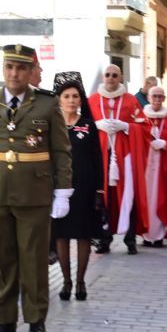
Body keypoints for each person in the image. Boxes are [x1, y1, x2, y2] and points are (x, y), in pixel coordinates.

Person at [0, 45, 73, 332]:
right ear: (4, 69)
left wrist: (63, 191)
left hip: (34, 193)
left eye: (21, 68)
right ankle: (5, 319)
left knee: (34, 260)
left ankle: (36, 320)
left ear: (31, 71)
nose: (15, 73)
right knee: (3, 259)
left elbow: (61, 151)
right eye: (10, 66)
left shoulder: (47, 104)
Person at [51, 72, 105, 301]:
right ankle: (66, 281)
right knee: (61, 236)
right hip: (59, 190)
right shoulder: (51, 126)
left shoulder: (88, 126)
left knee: (83, 236)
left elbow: (98, 159)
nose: (71, 100)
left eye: (75, 96)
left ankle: (81, 281)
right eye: (67, 96)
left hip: (85, 189)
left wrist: (99, 190)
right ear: (59, 99)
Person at [90, 63, 142, 255]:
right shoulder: (92, 100)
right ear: (103, 78)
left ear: (120, 78)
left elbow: (143, 127)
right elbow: (83, 126)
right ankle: (104, 239)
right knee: (103, 199)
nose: (111, 78)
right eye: (107, 75)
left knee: (128, 196)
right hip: (101, 156)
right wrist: (97, 125)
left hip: (124, 157)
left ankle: (130, 240)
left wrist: (126, 126)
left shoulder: (131, 100)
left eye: (114, 75)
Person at [136, 85, 167, 247]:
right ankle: (146, 235)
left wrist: (165, 144)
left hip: (164, 166)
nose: (156, 99)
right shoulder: (141, 118)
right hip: (145, 166)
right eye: (154, 96)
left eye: (160, 97)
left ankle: (159, 235)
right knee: (145, 199)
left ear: (164, 99)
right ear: (148, 98)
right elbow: (134, 139)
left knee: (161, 198)